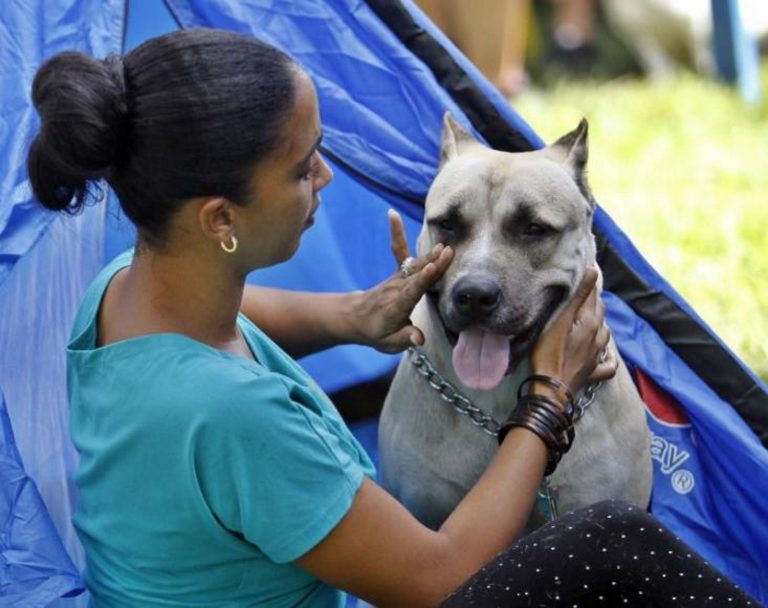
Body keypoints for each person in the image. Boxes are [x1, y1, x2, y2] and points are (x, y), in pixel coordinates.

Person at [27, 29, 759, 607]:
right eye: (304, 165)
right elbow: (435, 582)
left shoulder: (121, 290)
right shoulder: (237, 421)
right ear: (221, 218)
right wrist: (549, 399)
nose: (328, 177)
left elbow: (247, 316)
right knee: (615, 539)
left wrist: (353, 315)